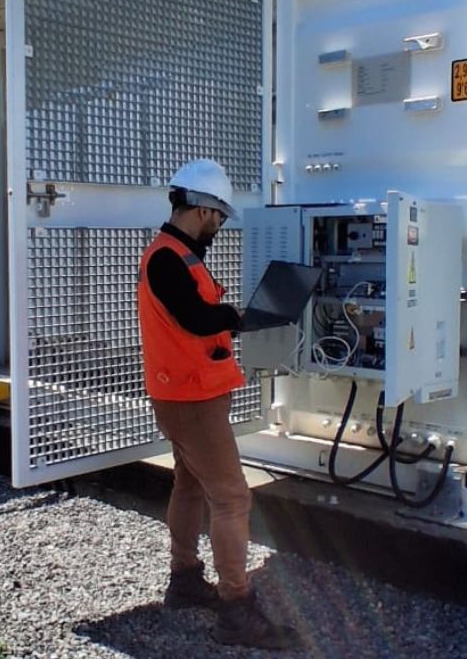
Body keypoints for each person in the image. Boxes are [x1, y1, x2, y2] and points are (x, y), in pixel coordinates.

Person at [136, 158, 300, 650]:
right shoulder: (167, 258)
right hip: (191, 398)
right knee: (231, 498)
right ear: (203, 209)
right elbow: (195, 318)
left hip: (186, 394)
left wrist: (241, 317)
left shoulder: (177, 254)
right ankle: (237, 611)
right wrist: (240, 316)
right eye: (220, 217)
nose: (220, 226)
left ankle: (185, 579)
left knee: (189, 485)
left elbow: (196, 316)